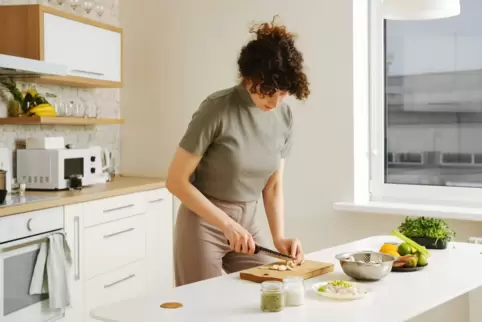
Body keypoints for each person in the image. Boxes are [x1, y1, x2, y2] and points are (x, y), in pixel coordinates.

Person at [166, 17, 311, 287]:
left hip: (247, 224)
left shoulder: (284, 116)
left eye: (283, 92)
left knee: (275, 288)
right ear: (250, 78)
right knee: (201, 308)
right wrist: (226, 225)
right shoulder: (217, 108)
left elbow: (273, 186)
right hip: (203, 222)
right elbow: (175, 181)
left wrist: (279, 238)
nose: (275, 101)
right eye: (269, 91)